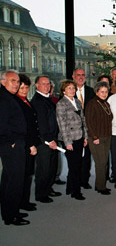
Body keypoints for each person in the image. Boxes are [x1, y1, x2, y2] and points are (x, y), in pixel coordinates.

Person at [0, 70, 29, 226]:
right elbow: (2, 123)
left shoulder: (8, 97)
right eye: (13, 81)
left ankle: (9, 211)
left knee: (9, 179)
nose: (16, 84)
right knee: (14, 181)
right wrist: (10, 141)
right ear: (3, 82)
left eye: (18, 81)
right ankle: (11, 216)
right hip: (11, 145)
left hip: (13, 143)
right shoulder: (3, 99)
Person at [56, 80, 88, 200]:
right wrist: (67, 142)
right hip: (69, 139)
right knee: (74, 166)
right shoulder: (61, 104)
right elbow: (62, 125)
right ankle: (76, 191)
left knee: (77, 164)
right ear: (63, 90)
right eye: (69, 88)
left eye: (73, 88)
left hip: (80, 136)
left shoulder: (78, 102)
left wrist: (86, 136)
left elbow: (83, 120)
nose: (72, 90)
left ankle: (70, 187)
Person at [31, 75, 60, 203]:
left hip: (52, 138)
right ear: (37, 85)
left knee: (52, 166)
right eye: (43, 84)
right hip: (44, 140)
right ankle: (41, 194)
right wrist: (49, 140)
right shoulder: (37, 101)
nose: (47, 86)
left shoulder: (47, 99)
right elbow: (41, 124)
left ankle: (48, 189)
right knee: (44, 168)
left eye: (48, 84)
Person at [14, 74, 40, 211]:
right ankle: (19, 203)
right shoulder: (17, 103)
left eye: (26, 87)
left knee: (28, 175)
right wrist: (30, 145)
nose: (24, 90)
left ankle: (24, 201)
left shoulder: (26, 101)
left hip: (30, 144)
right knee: (22, 176)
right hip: (24, 145)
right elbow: (23, 127)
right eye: (21, 88)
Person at [85, 81, 113, 195]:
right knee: (100, 162)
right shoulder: (92, 104)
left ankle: (99, 184)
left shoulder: (106, 103)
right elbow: (89, 122)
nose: (104, 94)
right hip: (96, 138)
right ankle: (101, 187)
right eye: (102, 91)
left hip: (106, 136)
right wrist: (94, 136)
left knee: (104, 162)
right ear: (96, 92)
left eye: (106, 91)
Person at [72, 68, 95, 190]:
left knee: (87, 157)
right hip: (74, 130)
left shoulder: (91, 92)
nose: (81, 77)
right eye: (78, 75)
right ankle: (74, 182)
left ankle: (84, 180)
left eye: (82, 75)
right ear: (73, 76)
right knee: (75, 158)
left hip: (88, 129)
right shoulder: (68, 92)